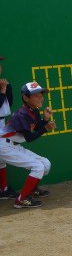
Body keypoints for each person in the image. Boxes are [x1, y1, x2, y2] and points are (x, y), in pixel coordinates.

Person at [0, 82, 55, 208]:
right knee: (38, 167)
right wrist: (46, 128)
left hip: (11, 145)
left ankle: (32, 190)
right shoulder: (22, 114)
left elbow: (36, 127)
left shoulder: (33, 110)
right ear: (26, 98)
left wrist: (45, 120)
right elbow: (29, 138)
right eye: (36, 96)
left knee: (45, 164)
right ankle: (21, 200)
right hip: (3, 145)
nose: (41, 98)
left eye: (41, 95)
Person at [0, 56, 19, 199]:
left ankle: (3, 188)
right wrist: (2, 90)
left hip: (2, 123)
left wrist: (7, 89)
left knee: (1, 160)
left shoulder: (3, 84)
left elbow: (9, 103)